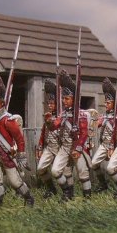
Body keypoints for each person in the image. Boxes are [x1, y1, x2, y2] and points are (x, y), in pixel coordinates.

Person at [0, 73, 34, 207]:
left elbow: (19, 139)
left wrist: (21, 156)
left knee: (15, 181)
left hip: (7, 154)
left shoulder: (8, 120)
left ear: (2, 103)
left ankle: (28, 198)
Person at [46, 70, 92, 200]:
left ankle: (87, 197)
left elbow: (84, 133)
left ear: (74, 99)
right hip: (65, 147)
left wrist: (78, 148)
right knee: (56, 171)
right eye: (63, 98)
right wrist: (49, 122)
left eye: (67, 98)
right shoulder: (62, 114)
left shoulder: (81, 114)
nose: (64, 101)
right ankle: (67, 192)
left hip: (78, 147)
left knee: (83, 173)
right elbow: (55, 126)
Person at [36, 79, 74, 199]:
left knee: (66, 171)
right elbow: (44, 132)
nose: (50, 106)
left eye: (52, 103)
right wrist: (40, 146)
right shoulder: (49, 116)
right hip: (50, 147)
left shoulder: (63, 116)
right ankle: (51, 189)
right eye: (49, 103)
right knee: (41, 168)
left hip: (61, 146)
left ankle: (69, 192)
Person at [91, 77, 116, 192]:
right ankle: (103, 184)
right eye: (105, 102)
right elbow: (96, 125)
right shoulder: (105, 115)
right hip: (104, 144)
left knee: (116, 168)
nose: (106, 104)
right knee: (94, 163)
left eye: (108, 102)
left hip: (115, 145)